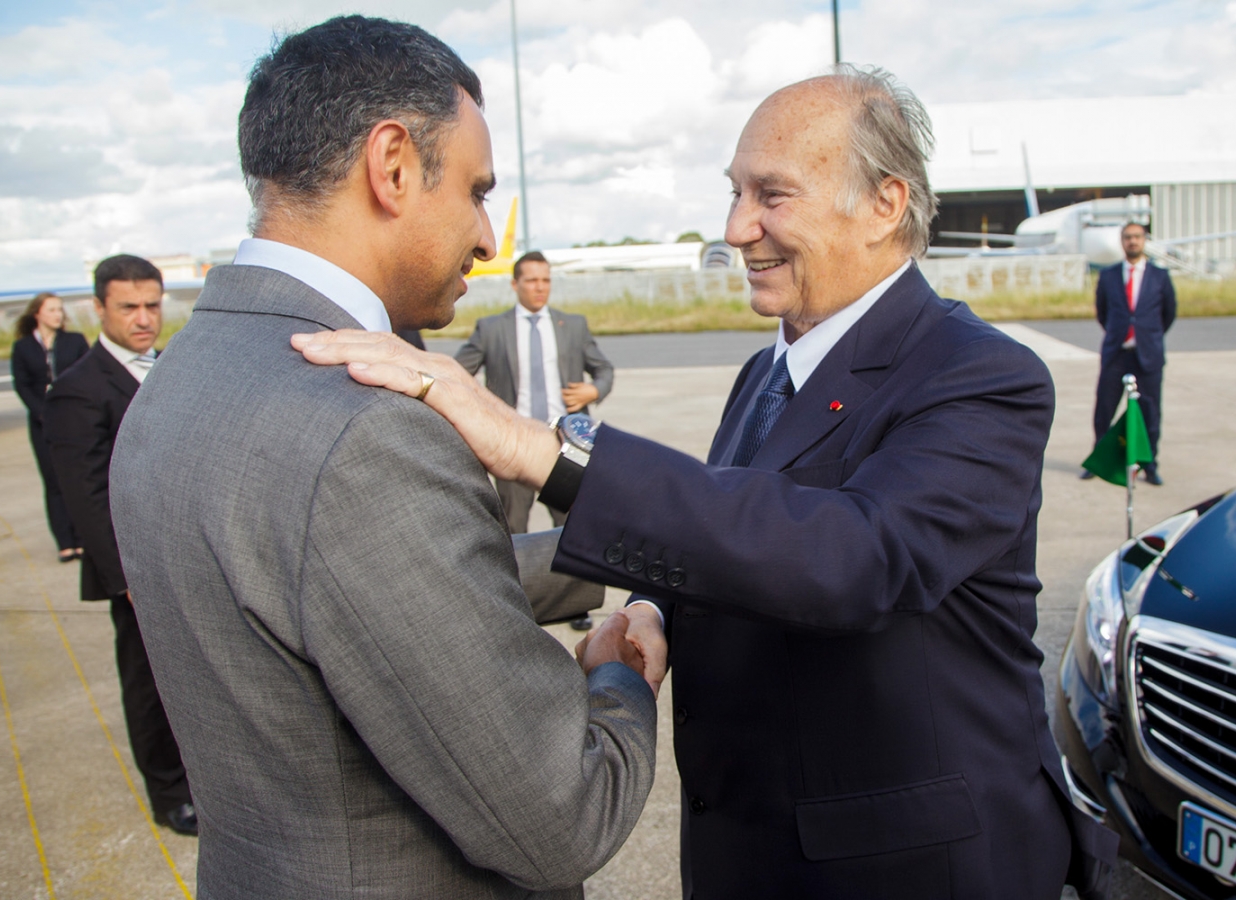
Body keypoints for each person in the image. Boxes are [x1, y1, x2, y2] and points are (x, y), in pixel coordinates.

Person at [298, 65, 1119, 899]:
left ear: (884, 205)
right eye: (735, 192)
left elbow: (855, 557)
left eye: (773, 195)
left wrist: (543, 450)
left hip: (905, 867)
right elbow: (743, 536)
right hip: (754, 851)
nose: (736, 226)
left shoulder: (978, 375)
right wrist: (660, 608)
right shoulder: (765, 376)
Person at [108, 17, 656, 900]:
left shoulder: (179, 379)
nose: (487, 239)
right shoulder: (363, 428)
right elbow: (564, 813)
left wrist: (649, 550)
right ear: (393, 165)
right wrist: (620, 676)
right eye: (478, 192)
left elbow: (358, 590)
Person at [44, 255, 196, 836]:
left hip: (188, 553)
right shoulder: (78, 390)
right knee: (149, 684)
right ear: (99, 308)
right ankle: (169, 795)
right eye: (129, 307)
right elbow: (83, 494)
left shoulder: (169, 366)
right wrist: (126, 580)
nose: (143, 319)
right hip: (138, 569)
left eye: (152, 305)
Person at [456, 250, 613, 630]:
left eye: (545, 280)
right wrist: (484, 414)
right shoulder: (491, 329)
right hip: (512, 446)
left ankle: (576, 604)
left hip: (566, 446)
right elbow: (459, 374)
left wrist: (593, 392)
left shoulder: (571, 325)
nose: (540, 287)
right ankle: (516, 609)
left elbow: (603, 369)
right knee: (512, 527)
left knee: (572, 525)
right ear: (515, 284)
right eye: (531, 280)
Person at [1083, 221, 1176, 484]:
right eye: (1127, 237)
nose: (1132, 241)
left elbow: (1168, 314)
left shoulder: (1160, 276)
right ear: (1122, 242)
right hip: (1117, 354)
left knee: (1150, 413)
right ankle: (1098, 461)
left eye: (1137, 237)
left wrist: (1148, 336)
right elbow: (1102, 313)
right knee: (1104, 410)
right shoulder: (1109, 275)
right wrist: (1120, 333)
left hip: (1148, 355)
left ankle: (1150, 465)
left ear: (1144, 240)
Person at [10, 292, 88, 562]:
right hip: (42, 423)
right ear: (37, 313)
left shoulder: (74, 341)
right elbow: (21, 384)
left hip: (72, 421)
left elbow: (86, 376)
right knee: (53, 482)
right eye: (52, 310)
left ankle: (82, 538)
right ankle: (65, 542)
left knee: (77, 478)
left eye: (60, 310)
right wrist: (41, 411)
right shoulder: (22, 347)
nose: (58, 314)